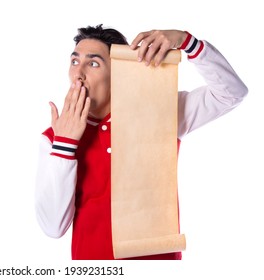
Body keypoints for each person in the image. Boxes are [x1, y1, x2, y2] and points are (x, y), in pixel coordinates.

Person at [35, 24, 248, 260]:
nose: (79, 73)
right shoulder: (54, 137)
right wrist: (65, 144)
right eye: (75, 62)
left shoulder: (160, 110)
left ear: (119, 71)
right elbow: (53, 227)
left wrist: (188, 42)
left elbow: (232, 93)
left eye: (93, 63)